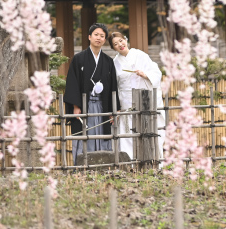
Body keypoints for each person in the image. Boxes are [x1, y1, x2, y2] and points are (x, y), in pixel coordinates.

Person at [63, 23, 119, 164]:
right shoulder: (79, 59)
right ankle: (82, 167)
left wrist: (113, 109)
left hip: (102, 106)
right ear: (89, 37)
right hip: (84, 105)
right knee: (84, 134)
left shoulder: (108, 62)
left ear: (105, 40)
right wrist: (76, 106)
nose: (99, 38)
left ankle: (102, 165)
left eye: (102, 36)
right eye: (96, 35)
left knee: (102, 134)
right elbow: (72, 83)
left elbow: (113, 86)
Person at [109, 31, 165, 160]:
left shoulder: (140, 55)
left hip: (144, 99)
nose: (120, 45)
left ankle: (151, 160)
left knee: (148, 130)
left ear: (126, 40)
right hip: (126, 101)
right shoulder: (115, 62)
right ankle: (130, 162)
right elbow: (115, 85)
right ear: (113, 48)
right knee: (127, 132)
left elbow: (156, 72)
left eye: (121, 41)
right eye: (116, 44)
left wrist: (145, 75)